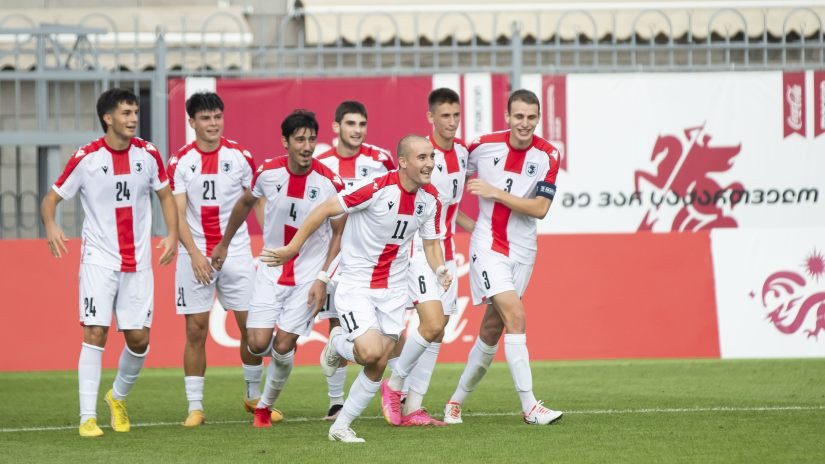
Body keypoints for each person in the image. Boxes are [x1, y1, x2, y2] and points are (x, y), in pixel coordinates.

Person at [263, 135, 452, 443]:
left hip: (393, 288)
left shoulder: (430, 198)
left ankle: (341, 425)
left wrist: (439, 268)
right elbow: (324, 210)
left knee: (379, 360)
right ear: (403, 162)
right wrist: (291, 248)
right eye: (422, 157)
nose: (430, 163)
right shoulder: (376, 189)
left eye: (431, 157)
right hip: (356, 284)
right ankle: (337, 343)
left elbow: (431, 244)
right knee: (368, 353)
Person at [40, 88, 178, 437]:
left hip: (139, 261)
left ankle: (116, 397)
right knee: (95, 332)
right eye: (127, 113)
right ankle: (87, 417)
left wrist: (173, 234)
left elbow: (165, 195)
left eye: (135, 112)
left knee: (139, 340)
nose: (133, 118)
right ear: (108, 118)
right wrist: (51, 224)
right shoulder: (86, 158)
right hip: (99, 260)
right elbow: (50, 199)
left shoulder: (148, 154)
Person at [211, 110, 345, 428]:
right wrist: (224, 243)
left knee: (283, 345)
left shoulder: (329, 181)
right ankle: (281, 358)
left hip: (308, 277)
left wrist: (324, 278)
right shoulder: (268, 173)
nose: (307, 145)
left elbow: (339, 232)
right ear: (285, 141)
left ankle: (264, 408)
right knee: (257, 344)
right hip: (270, 270)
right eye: (300, 139)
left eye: (312, 138)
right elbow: (244, 204)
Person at [443, 89, 564, 426]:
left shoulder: (549, 155)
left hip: (524, 251)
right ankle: (530, 408)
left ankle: (455, 401)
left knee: (493, 329)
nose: (524, 123)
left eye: (531, 117)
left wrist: (496, 192)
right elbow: (452, 179)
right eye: (518, 116)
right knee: (517, 314)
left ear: (537, 119)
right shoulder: (480, 146)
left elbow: (540, 209)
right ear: (507, 117)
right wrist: (457, 221)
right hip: (488, 247)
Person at [167, 91, 269, 427]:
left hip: (237, 252)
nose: (213, 124)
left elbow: (256, 200)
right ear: (191, 122)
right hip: (193, 253)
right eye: (205, 118)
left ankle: (254, 398)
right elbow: (177, 212)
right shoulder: (180, 161)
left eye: (217, 117)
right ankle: (195, 407)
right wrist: (195, 254)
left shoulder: (240, 156)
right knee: (195, 330)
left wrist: (272, 238)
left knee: (251, 331)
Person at [380, 88, 475, 426]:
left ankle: (413, 406)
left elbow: (451, 208)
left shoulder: (464, 154)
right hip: (418, 250)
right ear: (430, 118)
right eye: (444, 116)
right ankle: (394, 387)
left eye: (456, 115)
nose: (451, 122)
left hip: (445, 251)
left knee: (439, 329)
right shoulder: (421, 155)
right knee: (428, 325)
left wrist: (475, 228)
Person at [314, 101, 397, 420]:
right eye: (350, 124)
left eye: (362, 124)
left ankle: (388, 396)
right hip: (336, 253)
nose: (357, 130)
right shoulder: (322, 162)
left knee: (382, 332)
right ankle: (336, 403)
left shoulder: (380, 160)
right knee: (338, 322)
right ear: (336, 127)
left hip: (374, 256)